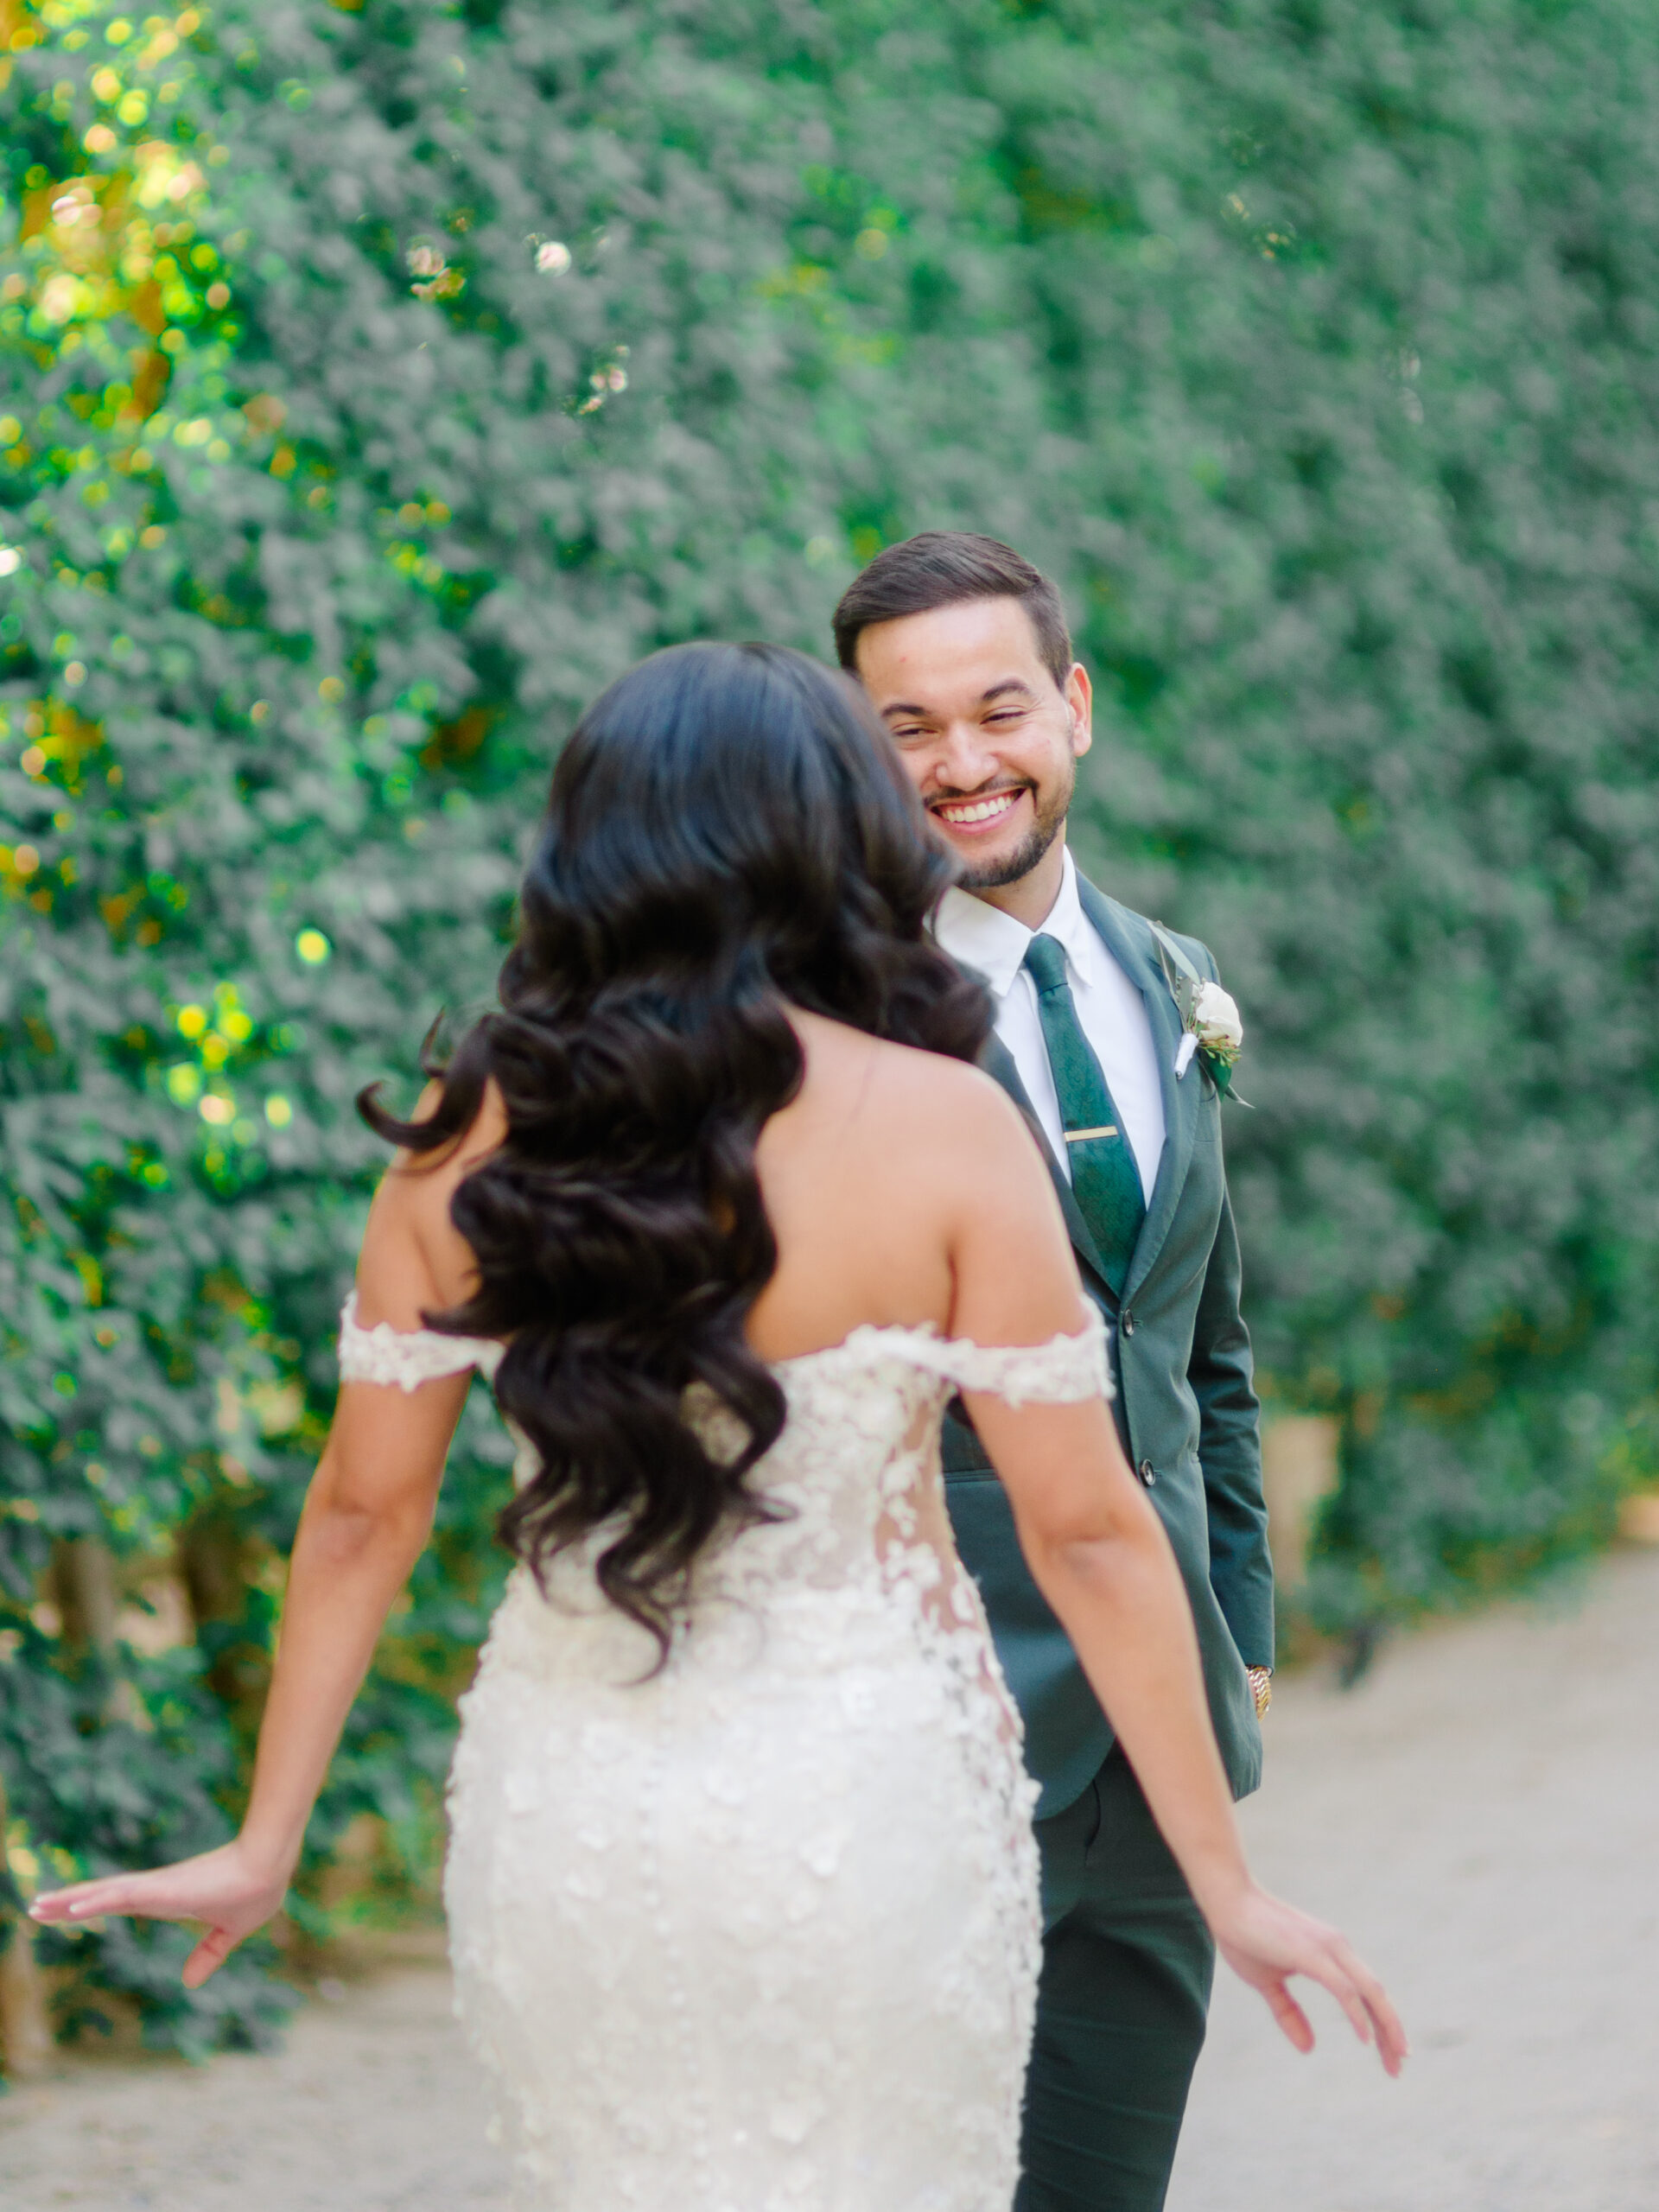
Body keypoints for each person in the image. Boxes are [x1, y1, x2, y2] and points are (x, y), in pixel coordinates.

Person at [32, 642, 1402, 2210]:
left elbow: (359, 1517)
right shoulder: (947, 1127)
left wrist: (265, 1839)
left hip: (577, 1810)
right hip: (874, 1798)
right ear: (840, 840)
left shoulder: (460, 1150)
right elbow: (1087, 1531)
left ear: (587, 850)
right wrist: (1223, 1885)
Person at [834, 531, 1281, 2211]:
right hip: (929, 1741)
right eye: (906, 728)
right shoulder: (833, 1017)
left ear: (1074, 707)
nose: (962, 764)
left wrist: (1235, 1633)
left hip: (1161, 1748)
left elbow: (1204, 1349)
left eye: (998, 707)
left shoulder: (1168, 977)